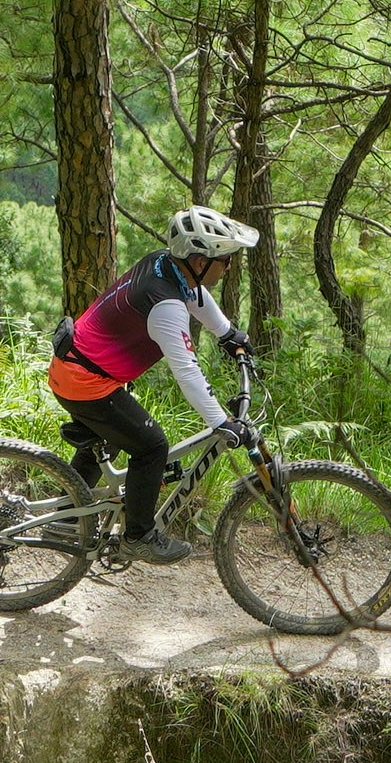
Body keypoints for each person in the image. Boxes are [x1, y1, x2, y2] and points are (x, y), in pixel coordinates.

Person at [51, 208, 257, 564]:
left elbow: (196, 294)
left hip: (77, 369)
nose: (229, 266)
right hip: (86, 381)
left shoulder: (165, 264)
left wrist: (227, 334)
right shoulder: (165, 308)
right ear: (198, 260)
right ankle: (139, 536)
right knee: (151, 447)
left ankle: (66, 518)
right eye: (225, 259)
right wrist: (221, 423)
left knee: (111, 436)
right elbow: (187, 371)